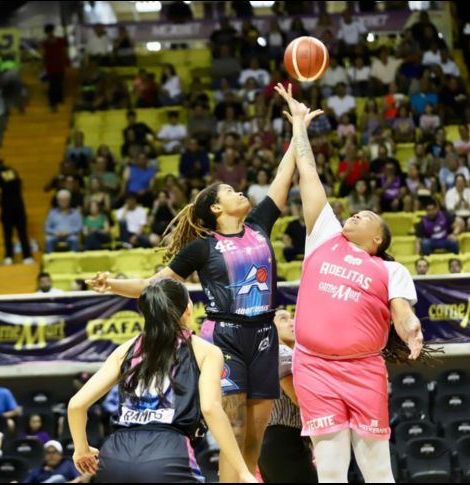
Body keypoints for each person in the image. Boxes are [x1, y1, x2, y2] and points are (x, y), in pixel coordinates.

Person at [86, 86, 306, 482]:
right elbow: (156, 286)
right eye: (231, 191)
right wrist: (113, 284)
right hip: (226, 336)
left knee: (255, 436)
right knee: (233, 431)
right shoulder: (203, 249)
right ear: (217, 209)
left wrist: (299, 128)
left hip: (264, 337)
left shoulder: (258, 227)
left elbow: (282, 178)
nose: (241, 191)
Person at [278, 84, 426, 482]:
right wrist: (299, 127)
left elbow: (402, 311)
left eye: (366, 216)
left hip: (362, 369)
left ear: (377, 240)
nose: (356, 215)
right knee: (329, 471)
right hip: (313, 366)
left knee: (377, 471)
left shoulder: (389, 270)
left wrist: (410, 326)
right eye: (356, 212)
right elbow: (307, 174)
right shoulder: (324, 235)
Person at [68, 279, 257, 483]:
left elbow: (76, 405)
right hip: (168, 450)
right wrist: (243, 471)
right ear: (187, 310)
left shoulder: (125, 350)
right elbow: (211, 409)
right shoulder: (205, 351)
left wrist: (81, 449)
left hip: (115, 454)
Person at [258, 309, 318, 483]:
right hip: (284, 441)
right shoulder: (282, 352)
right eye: (283, 320)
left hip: (272, 443)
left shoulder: (268, 355)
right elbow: (298, 397)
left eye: (292, 318)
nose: (292, 322)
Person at [0, 160, 33, 265]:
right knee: (22, 233)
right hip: (19, 207)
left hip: (7, 208)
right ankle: (27, 257)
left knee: (7, 234)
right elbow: (20, 184)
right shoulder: (13, 171)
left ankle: (9, 257)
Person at [42, 24, 68, 111]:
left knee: (59, 84)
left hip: (58, 66)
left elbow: (64, 52)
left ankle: (59, 100)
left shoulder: (60, 41)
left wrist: (65, 62)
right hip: (51, 67)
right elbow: (44, 56)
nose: (50, 33)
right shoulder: (45, 43)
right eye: (48, 32)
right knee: (53, 85)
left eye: (51, 31)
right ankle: (53, 103)